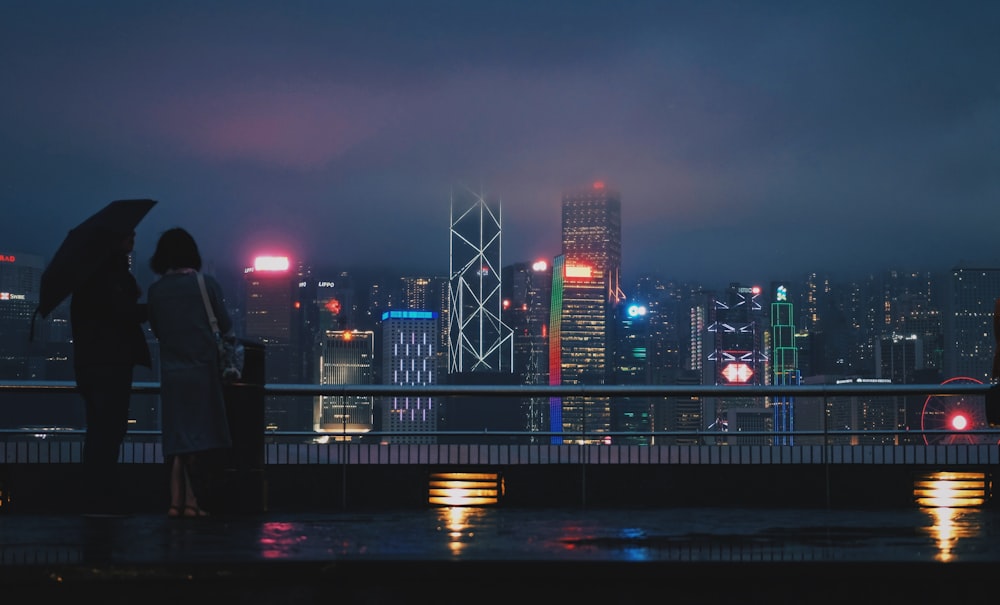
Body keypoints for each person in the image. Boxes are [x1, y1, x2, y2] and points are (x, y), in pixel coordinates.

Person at [147, 227, 233, 518]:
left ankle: (175, 502)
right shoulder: (205, 284)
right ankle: (193, 502)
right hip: (203, 373)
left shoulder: (156, 291)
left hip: (172, 374)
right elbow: (224, 323)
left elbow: (158, 331)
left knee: (177, 440)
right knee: (199, 439)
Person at [70, 229, 152, 516]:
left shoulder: (89, 275)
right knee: (109, 430)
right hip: (110, 364)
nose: (133, 238)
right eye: (127, 234)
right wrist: (149, 307)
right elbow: (121, 313)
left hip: (92, 365)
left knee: (99, 431)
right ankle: (101, 498)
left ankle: (95, 496)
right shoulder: (108, 275)